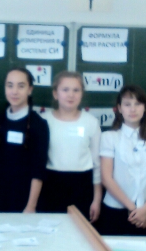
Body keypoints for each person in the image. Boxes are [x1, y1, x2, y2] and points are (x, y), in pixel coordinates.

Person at [98, 85, 146, 236]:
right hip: (116, 210)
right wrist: (133, 209)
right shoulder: (109, 137)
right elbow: (106, 178)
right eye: (127, 104)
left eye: (137, 104)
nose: (132, 109)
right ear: (119, 109)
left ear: (145, 107)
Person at [38, 71, 102, 222]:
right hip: (50, 185)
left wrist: (97, 199)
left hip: (82, 185)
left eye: (76, 90)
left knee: (80, 232)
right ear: (55, 94)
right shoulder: (43, 121)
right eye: (65, 90)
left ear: (82, 94)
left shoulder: (91, 122)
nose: (70, 95)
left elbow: (97, 164)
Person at [0, 67, 49, 213]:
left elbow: (38, 169)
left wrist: (31, 206)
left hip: (24, 198)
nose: (14, 91)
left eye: (21, 86)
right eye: (10, 85)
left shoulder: (39, 124)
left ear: (30, 89)